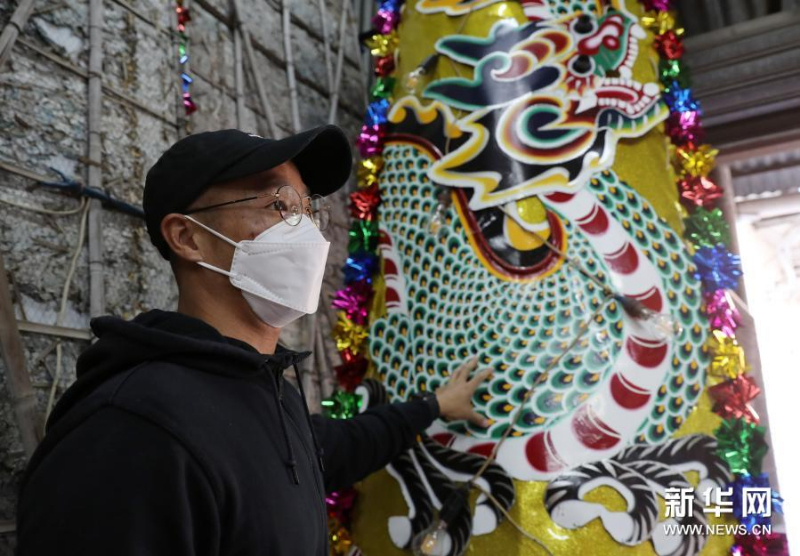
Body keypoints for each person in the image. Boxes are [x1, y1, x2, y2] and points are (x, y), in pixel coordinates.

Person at [15, 125, 492, 556]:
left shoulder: (268, 393)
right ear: (188, 237)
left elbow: (337, 448)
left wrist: (434, 406)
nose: (306, 233)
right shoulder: (132, 433)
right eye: (277, 206)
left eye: (307, 210)